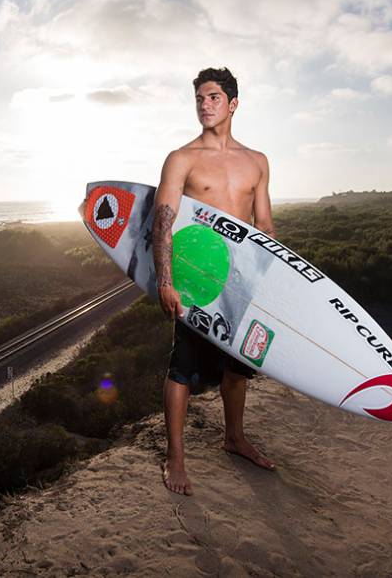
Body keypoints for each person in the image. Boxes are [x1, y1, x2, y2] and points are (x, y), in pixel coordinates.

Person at [152, 67, 277, 496]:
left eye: (214, 98)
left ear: (233, 104)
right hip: (195, 279)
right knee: (182, 368)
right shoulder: (182, 158)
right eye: (200, 99)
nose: (205, 105)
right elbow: (162, 225)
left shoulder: (256, 161)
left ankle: (235, 437)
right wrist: (165, 281)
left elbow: (265, 227)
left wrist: (268, 283)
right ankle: (176, 457)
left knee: (238, 368)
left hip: (241, 280)